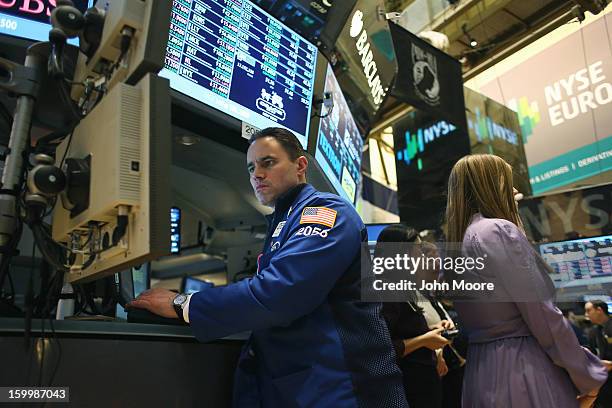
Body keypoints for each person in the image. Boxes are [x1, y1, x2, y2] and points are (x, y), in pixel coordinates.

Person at [129, 127, 408, 407]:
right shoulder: (284, 221)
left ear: (300, 166)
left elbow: (280, 293)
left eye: (268, 163)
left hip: (346, 391)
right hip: (311, 389)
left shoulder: (325, 211)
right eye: (251, 167)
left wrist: (184, 304)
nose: (256, 174)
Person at [445, 154, 607, 408]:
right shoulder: (498, 230)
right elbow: (543, 316)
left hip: (480, 374)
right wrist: (587, 373)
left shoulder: (457, 244)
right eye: (505, 182)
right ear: (488, 187)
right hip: (524, 371)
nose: (514, 191)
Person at [376, 224, 450, 408]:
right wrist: (425, 340)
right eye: (417, 249)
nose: (421, 255)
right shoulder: (387, 290)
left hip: (423, 385)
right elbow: (384, 349)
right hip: (409, 389)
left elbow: (405, 332)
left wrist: (430, 333)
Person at [585, 300, 612, 407]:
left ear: (599, 310)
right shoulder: (592, 332)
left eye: (588, 310)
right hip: (603, 382)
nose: (586, 315)